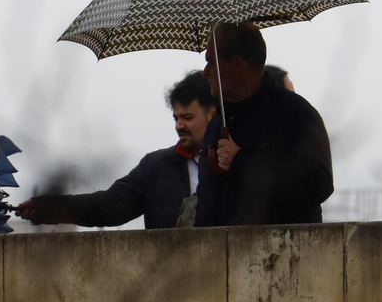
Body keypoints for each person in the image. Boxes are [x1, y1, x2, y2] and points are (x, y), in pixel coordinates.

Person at [16, 71, 216, 229]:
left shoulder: (238, 161)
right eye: (176, 118)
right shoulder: (155, 167)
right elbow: (108, 206)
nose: (179, 125)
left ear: (212, 114)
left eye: (187, 117)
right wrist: (49, 208)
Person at [198, 23, 333, 227]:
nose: (205, 72)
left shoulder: (294, 114)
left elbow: (319, 184)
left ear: (236, 65)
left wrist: (241, 161)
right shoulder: (217, 123)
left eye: (211, 62)